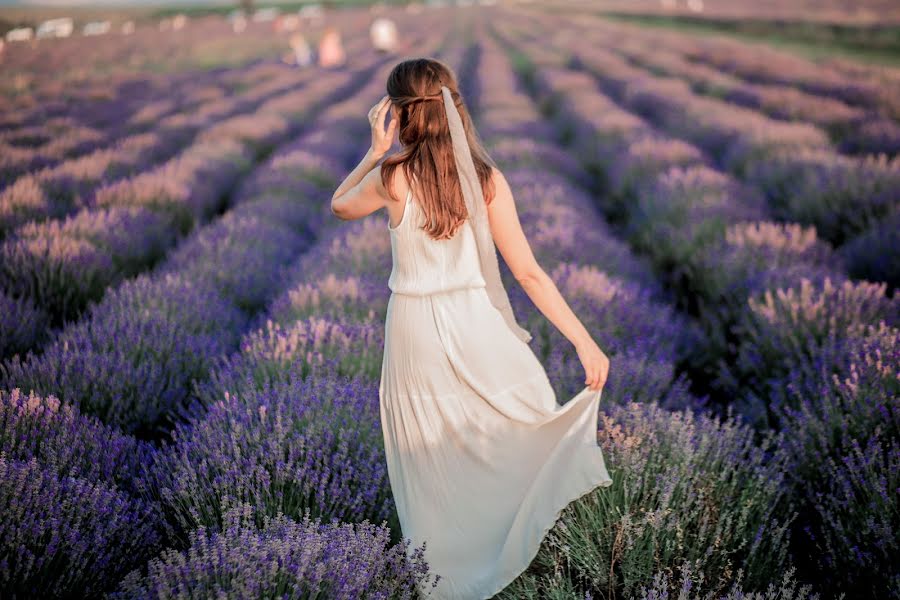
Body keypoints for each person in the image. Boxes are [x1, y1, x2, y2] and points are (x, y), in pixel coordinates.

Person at [330, 58, 613, 599]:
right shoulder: (486, 180)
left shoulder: (392, 178)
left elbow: (339, 205)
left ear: (398, 113)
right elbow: (528, 273)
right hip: (475, 321)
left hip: (413, 330)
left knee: (427, 454)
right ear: (454, 107)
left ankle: (444, 579)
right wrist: (584, 340)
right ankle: (506, 552)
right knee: (513, 424)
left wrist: (374, 149)